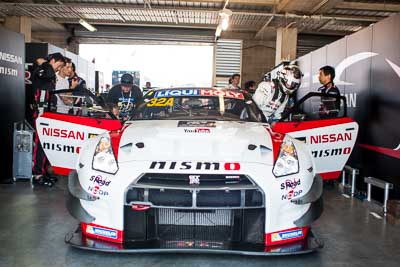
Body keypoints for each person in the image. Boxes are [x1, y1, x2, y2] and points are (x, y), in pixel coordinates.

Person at [31, 52, 66, 186]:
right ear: (53, 60)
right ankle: (37, 174)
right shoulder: (45, 69)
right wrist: (46, 62)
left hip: (48, 112)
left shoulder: (48, 71)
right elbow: (45, 69)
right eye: (59, 65)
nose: (58, 69)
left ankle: (44, 171)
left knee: (46, 143)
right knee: (39, 143)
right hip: (41, 112)